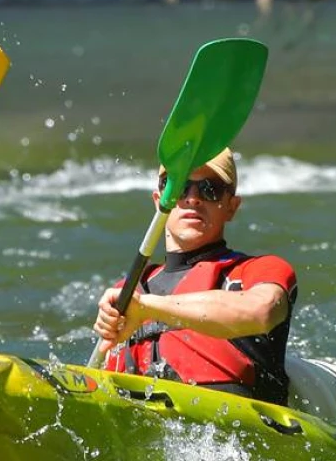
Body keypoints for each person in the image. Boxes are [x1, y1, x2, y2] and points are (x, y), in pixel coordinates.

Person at [92, 148, 297, 404]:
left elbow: (262, 311)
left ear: (232, 207)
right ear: (160, 200)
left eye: (209, 189)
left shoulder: (261, 269)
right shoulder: (129, 289)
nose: (193, 199)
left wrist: (146, 308)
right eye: (179, 187)